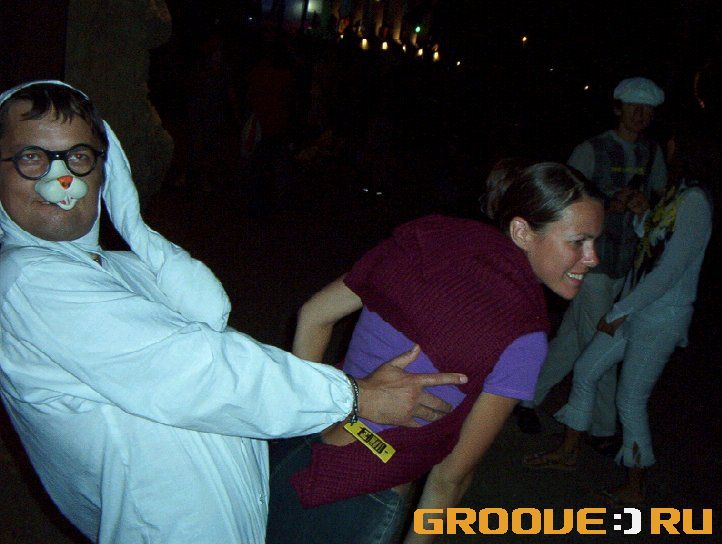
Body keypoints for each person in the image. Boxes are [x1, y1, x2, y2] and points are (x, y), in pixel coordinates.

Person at [0, 81, 467, 544]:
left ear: (105, 169)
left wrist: (136, 228)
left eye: (78, 156)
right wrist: (355, 397)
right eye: (31, 156)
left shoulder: (119, 268)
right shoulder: (27, 280)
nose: (59, 177)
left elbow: (208, 311)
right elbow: (200, 370)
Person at [266, 161, 604, 544]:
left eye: (595, 242)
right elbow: (450, 479)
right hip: (360, 495)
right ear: (522, 231)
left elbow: (313, 316)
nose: (593, 257)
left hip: (290, 451)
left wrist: (305, 416)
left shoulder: (424, 243)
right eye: (578, 241)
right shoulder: (523, 334)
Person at [523, 128, 713, 505]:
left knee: (630, 399)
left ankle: (636, 486)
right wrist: (643, 216)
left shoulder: (695, 202)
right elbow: (652, 244)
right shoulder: (677, 194)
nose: (665, 149)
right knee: (586, 369)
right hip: (638, 307)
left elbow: (669, 270)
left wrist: (618, 311)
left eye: (671, 143)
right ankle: (568, 451)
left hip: (660, 318)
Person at [516, 77, 668, 446]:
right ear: (618, 108)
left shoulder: (652, 153)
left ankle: (524, 398)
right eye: (633, 107)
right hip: (589, 263)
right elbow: (562, 200)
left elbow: (661, 200)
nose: (640, 115)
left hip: (626, 264)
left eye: (647, 110)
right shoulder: (591, 149)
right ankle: (603, 429)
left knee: (573, 339)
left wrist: (645, 205)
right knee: (600, 345)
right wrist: (606, 204)